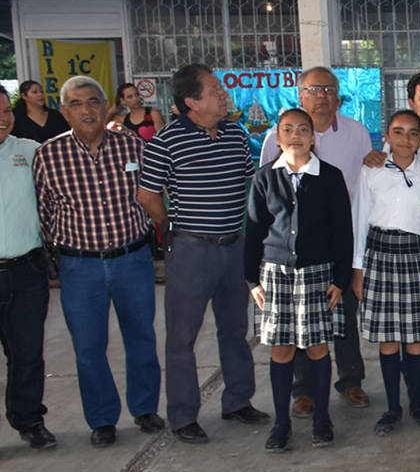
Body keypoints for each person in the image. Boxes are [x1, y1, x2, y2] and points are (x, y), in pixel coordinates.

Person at [136, 64, 267, 445]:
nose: (223, 94)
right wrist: (174, 228)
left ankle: (238, 400)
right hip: (192, 250)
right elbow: (147, 196)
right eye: (214, 90)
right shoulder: (166, 141)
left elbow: (246, 183)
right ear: (191, 101)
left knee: (235, 330)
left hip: (233, 246)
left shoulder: (235, 134)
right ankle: (183, 416)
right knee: (182, 337)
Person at [32, 76, 162, 446]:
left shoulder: (132, 145)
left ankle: (145, 408)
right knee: (88, 346)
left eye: (93, 102)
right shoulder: (49, 155)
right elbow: (45, 213)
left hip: (131, 259)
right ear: (64, 111)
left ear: (106, 106)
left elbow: (151, 194)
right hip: (81, 266)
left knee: (141, 336)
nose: (86, 110)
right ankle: (102, 418)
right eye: (76, 104)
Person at [260, 66, 374, 414]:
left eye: (329, 89)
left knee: (342, 314)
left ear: (338, 95)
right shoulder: (276, 138)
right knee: (298, 323)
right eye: (315, 88)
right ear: (300, 93)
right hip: (293, 249)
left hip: (341, 238)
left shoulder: (356, 133)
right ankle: (303, 389)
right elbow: (266, 194)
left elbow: (366, 181)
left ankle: (351, 381)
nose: (322, 95)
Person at [246, 108, 353, 452]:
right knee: (282, 349)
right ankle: (281, 423)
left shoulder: (330, 177)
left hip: (317, 274)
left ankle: (322, 419)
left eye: (302, 129)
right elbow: (253, 231)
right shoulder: (264, 178)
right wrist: (252, 280)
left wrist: (341, 277)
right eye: (288, 130)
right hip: (275, 275)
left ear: (312, 137)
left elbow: (342, 232)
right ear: (277, 138)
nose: (295, 135)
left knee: (319, 347)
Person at [352, 109, 420, 436]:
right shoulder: (371, 171)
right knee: (388, 340)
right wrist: (358, 269)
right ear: (387, 135)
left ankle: (417, 402)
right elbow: (360, 221)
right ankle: (392, 407)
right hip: (380, 258)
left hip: (414, 257)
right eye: (398, 132)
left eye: (413, 133)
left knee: (415, 338)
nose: (405, 139)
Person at [0, 92, 56, 449]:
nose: (2, 118)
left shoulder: (30, 150)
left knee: (27, 353)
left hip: (25, 270)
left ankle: (29, 419)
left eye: (6, 111)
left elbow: (70, 159)